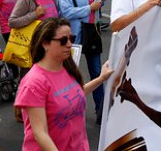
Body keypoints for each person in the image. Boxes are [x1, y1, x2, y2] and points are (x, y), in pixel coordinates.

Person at [14, 18, 113, 150]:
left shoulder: (66, 67)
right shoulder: (34, 83)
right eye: (63, 40)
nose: (69, 44)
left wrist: (101, 78)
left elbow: (74, 95)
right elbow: (40, 133)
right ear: (45, 43)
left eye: (71, 38)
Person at [57, 0, 109, 124]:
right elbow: (65, 12)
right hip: (75, 34)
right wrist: (90, 8)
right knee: (72, 75)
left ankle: (101, 111)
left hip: (92, 31)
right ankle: (69, 111)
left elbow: (97, 4)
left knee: (96, 72)